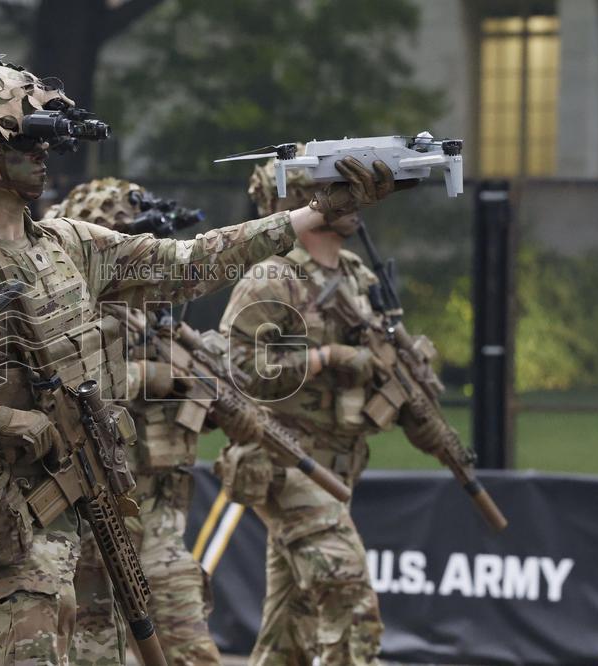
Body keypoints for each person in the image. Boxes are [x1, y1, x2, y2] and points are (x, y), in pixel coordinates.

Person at [0, 56, 400, 664]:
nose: (43, 156)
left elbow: (188, 263)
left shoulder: (68, 246)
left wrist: (312, 214)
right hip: (8, 517)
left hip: (89, 498)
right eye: (25, 142)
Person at [218, 145, 411, 665]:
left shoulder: (357, 276)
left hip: (340, 463)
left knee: (292, 629)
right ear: (308, 199)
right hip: (287, 460)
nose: (354, 203)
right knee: (349, 599)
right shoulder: (272, 276)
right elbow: (234, 369)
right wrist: (323, 357)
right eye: (339, 193)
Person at [44, 178, 229, 665]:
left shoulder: (154, 315)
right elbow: (69, 383)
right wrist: (154, 376)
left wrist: (197, 384)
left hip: (155, 516)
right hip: (94, 516)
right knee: (97, 645)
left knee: (184, 644)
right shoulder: (69, 307)